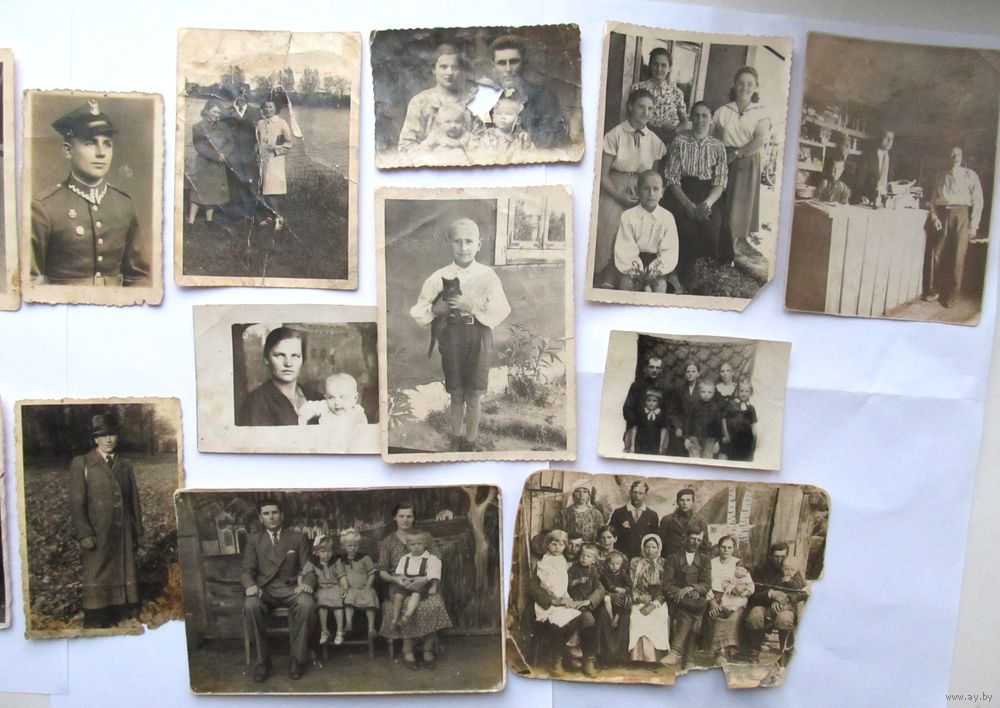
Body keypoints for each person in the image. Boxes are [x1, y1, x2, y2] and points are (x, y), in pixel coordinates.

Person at [409, 218, 511, 452]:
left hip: (479, 335)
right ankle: (456, 438)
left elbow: (502, 309)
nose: (463, 247)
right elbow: (419, 310)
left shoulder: (488, 275)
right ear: (449, 243)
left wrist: (471, 305)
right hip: (452, 335)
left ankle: (470, 441)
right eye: (458, 241)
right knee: (456, 392)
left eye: (469, 241)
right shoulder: (439, 276)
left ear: (479, 244)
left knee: (474, 394)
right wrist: (437, 310)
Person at [30, 101, 150, 287]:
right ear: (68, 150)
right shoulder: (44, 208)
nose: (101, 153)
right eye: (90, 143)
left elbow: (138, 278)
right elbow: (31, 282)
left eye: (107, 144)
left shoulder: (123, 204)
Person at [68, 412, 143, 629]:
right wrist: (84, 532)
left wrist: (137, 531)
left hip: (123, 532)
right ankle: (96, 615)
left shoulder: (125, 465)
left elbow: (134, 501)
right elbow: (76, 503)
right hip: (97, 532)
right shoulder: (83, 463)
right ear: (95, 439)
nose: (108, 439)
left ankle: (121, 610)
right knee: (97, 571)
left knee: (123, 569)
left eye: (112, 434)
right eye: (103, 435)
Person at [593, 89, 667, 288]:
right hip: (615, 186)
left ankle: (633, 277)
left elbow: (654, 177)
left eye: (650, 109)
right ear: (630, 107)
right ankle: (607, 276)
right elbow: (602, 175)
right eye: (641, 107)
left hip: (643, 187)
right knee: (612, 224)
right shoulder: (615, 135)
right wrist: (619, 197)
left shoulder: (654, 141)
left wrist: (647, 197)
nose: (645, 112)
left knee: (640, 225)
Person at [241, 498, 316, 682]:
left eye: (274, 512)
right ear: (261, 518)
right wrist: (250, 585)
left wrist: (307, 583)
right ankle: (263, 661)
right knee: (251, 606)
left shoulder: (296, 537)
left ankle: (297, 659)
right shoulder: (254, 540)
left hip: (291, 588)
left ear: (281, 515)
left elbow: (308, 567)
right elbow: (247, 570)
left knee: (307, 603)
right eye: (266, 514)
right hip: (265, 590)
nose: (271, 517)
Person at [378, 503, 452, 670]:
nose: (405, 520)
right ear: (395, 518)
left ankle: (427, 649)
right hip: (400, 583)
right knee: (405, 604)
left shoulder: (425, 536)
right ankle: (408, 649)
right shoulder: (387, 542)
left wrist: (425, 579)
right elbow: (382, 571)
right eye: (401, 516)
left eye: (409, 516)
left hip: (425, 581)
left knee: (433, 604)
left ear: (413, 518)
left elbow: (437, 560)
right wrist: (397, 580)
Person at [663, 101, 730, 272]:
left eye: (705, 115)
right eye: (696, 115)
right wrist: (687, 205)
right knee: (680, 222)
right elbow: (672, 178)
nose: (700, 120)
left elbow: (720, 181)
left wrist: (707, 204)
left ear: (711, 119)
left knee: (712, 225)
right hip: (683, 191)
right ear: (691, 117)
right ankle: (676, 271)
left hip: (709, 194)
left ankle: (705, 273)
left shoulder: (718, 147)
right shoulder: (679, 142)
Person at [713, 66, 772, 256]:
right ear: (734, 84)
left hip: (746, 160)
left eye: (749, 84)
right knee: (721, 204)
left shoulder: (760, 112)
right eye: (740, 83)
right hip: (724, 160)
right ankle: (716, 247)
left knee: (738, 209)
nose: (744, 88)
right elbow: (712, 135)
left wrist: (737, 153)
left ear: (756, 87)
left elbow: (758, 141)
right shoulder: (723, 111)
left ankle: (729, 251)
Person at [925, 145, 984, 308]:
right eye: (951, 154)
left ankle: (952, 295)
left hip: (962, 215)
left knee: (958, 256)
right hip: (943, 214)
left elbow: (978, 201)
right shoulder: (940, 176)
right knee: (939, 253)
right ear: (947, 157)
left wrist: (974, 225)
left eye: (957, 154)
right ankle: (936, 289)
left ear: (962, 157)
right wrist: (935, 217)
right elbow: (933, 199)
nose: (955, 157)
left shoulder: (970, 175)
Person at [484, 34, 563, 149]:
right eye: (501, 63)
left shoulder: (544, 96)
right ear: (493, 66)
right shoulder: (486, 98)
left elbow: (546, 142)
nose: (508, 69)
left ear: (524, 63)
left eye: (514, 62)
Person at [612, 170, 683, 293]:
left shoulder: (667, 217)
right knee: (626, 284)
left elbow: (669, 251)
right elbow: (625, 249)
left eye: (655, 189)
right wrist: (639, 274)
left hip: (658, 266)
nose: (651, 193)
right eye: (646, 189)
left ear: (662, 192)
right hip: (632, 266)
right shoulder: (628, 216)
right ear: (637, 190)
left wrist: (653, 272)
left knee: (660, 286)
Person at [398, 44, 478, 152]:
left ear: (461, 70)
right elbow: (406, 147)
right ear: (433, 69)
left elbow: (482, 145)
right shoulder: (420, 102)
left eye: (454, 67)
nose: (449, 72)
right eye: (443, 67)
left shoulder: (470, 102)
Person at [745, 542, 808, 664]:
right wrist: (770, 594)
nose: (779, 560)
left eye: (782, 557)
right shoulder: (761, 570)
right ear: (770, 556)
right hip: (764, 605)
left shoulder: (792, 569)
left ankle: (784, 653)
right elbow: (753, 595)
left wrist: (783, 601)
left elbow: (802, 593)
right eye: (776, 556)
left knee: (784, 618)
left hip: (785, 608)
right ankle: (754, 652)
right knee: (755, 615)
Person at [530, 529, 582, 676]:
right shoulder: (544, 562)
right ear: (547, 545)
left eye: (561, 544)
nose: (558, 547)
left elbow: (562, 584)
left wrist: (566, 599)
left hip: (561, 600)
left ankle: (566, 654)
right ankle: (556, 661)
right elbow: (539, 587)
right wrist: (554, 600)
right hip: (547, 604)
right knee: (559, 622)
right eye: (554, 544)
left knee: (577, 615)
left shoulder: (562, 561)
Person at [238, 327, 315, 426]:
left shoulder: (316, 397)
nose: (288, 363)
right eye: (279, 355)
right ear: (266, 359)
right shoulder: (256, 402)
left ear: (302, 359)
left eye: (295, 356)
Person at [660, 529, 712, 668]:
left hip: (696, 600)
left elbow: (706, 584)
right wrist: (682, 592)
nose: (696, 543)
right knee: (689, 615)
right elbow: (667, 584)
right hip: (677, 600)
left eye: (699, 540)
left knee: (688, 614)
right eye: (693, 538)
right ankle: (688, 659)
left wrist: (692, 588)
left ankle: (676, 652)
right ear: (685, 538)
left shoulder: (704, 559)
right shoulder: (673, 558)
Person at [703, 535, 754, 662]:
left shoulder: (738, 564)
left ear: (733, 549)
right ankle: (719, 651)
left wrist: (741, 591)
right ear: (718, 548)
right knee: (716, 615)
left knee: (734, 617)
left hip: (735, 599)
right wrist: (712, 601)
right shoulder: (711, 563)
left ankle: (726, 652)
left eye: (729, 547)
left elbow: (748, 583)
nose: (726, 550)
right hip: (715, 597)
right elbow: (705, 583)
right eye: (723, 547)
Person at [186, 98, 234, 225]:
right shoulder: (198, 127)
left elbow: (230, 143)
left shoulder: (224, 127)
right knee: (198, 193)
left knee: (213, 193)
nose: (217, 115)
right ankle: (191, 220)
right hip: (204, 165)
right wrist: (216, 156)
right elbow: (200, 147)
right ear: (207, 111)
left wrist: (224, 154)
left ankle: (209, 220)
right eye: (214, 112)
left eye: (219, 113)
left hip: (218, 166)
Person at [626, 534, 671, 663]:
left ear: (659, 548)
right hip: (640, 600)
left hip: (658, 601)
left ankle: (655, 657)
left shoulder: (663, 563)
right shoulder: (635, 562)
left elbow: (666, 587)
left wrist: (654, 604)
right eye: (647, 547)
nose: (650, 550)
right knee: (637, 616)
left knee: (659, 616)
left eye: (653, 547)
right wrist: (639, 598)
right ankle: (638, 657)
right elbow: (631, 585)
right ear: (642, 547)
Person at [631, 47, 689, 146]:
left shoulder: (676, 93)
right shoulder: (638, 88)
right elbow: (631, 116)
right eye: (655, 64)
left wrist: (674, 131)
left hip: (667, 140)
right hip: (643, 138)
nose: (659, 69)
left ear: (669, 68)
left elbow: (685, 122)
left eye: (663, 65)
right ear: (650, 65)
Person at [389, 530, 443, 634]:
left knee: (416, 594)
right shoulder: (405, 558)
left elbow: (434, 573)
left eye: (419, 544)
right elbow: (400, 572)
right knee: (398, 595)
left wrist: (434, 586)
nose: (416, 546)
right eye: (413, 544)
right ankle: (395, 619)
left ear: (425, 544)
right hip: (407, 581)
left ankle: (406, 616)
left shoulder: (430, 558)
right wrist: (403, 580)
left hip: (422, 583)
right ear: (408, 546)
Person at [296, 373, 369, 448]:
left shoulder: (357, 412)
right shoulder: (325, 406)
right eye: (331, 397)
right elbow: (308, 408)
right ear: (326, 397)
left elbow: (364, 432)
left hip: (348, 446)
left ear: (355, 398)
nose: (336, 402)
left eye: (342, 397)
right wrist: (302, 422)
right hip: (325, 445)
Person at [223, 84, 263, 220]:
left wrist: (257, 150)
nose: (242, 96)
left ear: (249, 96)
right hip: (232, 154)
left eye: (245, 94)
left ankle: (251, 214)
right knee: (233, 183)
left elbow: (260, 134)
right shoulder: (227, 112)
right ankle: (235, 216)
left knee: (251, 183)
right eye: (240, 93)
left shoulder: (256, 112)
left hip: (250, 154)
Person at [566, 544, 606, 677]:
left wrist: (589, 600)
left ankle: (589, 660)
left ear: (594, 560)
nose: (584, 558)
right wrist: (576, 581)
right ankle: (579, 658)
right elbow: (566, 584)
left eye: (588, 556)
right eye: (582, 555)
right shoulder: (574, 569)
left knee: (592, 620)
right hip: (573, 601)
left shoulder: (593, 571)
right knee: (587, 621)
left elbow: (597, 587)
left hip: (586, 603)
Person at [256, 98, 292, 231]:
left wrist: (275, 149)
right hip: (262, 161)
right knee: (263, 190)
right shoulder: (260, 123)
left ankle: (279, 217)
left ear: (276, 108)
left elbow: (289, 143)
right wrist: (257, 153)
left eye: (270, 107)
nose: (268, 109)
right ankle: (269, 216)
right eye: (265, 107)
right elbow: (257, 141)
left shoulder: (281, 123)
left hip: (275, 161)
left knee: (272, 190)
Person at [300, 535, 343, 646]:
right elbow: (302, 575)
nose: (326, 554)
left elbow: (341, 576)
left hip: (335, 587)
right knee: (321, 603)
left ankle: (339, 631)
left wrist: (344, 587)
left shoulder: (336, 561)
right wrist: (300, 585)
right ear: (317, 552)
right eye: (323, 551)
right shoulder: (313, 563)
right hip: (322, 588)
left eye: (329, 551)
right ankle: (324, 631)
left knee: (338, 602)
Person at [337, 527, 379, 641]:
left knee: (370, 597)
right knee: (348, 598)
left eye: (355, 545)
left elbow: (371, 573)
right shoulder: (342, 561)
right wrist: (344, 587)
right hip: (352, 589)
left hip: (365, 587)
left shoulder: (365, 558)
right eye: (349, 546)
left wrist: (368, 586)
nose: (353, 548)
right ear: (343, 547)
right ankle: (349, 624)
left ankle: (371, 628)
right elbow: (342, 576)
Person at [622, 356, 667, 452]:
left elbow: (667, 410)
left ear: (661, 370)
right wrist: (639, 423)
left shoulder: (666, 388)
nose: (654, 370)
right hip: (637, 429)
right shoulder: (637, 386)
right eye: (651, 367)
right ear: (647, 368)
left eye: (657, 368)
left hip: (656, 430)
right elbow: (627, 408)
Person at [608, 480, 659, 560]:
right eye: (634, 492)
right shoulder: (619, 513)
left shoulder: (652, 515)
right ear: (630, 492)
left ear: (645, 495)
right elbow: (611, 535)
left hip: (642, 558)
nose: (637, 496)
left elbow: (653, 539)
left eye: (640, 493)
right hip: (621, 557)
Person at [658, 488, 712, 557]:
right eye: (681, 500)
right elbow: (660, 543)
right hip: (670, 558)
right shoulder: (667, 520)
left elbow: (705, 545)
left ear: (693, 502)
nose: (685, 503)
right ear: (677, 502)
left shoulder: (700, 520)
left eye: (688, 500)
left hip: (691, 559)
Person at [850, 128, 894, 207]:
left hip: (883, 201)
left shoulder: (890, 158)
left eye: (892, 139)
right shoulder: (867, 155)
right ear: (880, 138)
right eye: (886, 137)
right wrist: (861, 196)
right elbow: (859, 179)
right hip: (866, 200)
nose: (889, 141)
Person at [666, 361, 701, 457]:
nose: (690, 374)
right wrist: (677, 426)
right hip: (681, 428)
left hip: (696, 430)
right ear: (685, 373)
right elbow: (672, 411)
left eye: (693, 371)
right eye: (688, 371)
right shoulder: (678, 389)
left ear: (698, 373)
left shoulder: (702, 389)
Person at [683, 380, 722, 459]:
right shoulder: (694, 406)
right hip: (694, 436)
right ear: (699, 392)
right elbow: (688, 421)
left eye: (709, 392)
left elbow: (718, 425)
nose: (706, 394)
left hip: (710, 438)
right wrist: (686, 438)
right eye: (703, 392)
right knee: (694, 458)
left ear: (713, 393)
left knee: (707, 459)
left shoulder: (715, 408)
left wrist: (717, 442)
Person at [721, 380, 758, 462]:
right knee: (732, 459)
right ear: (737, 392)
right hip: (733, 438)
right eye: (741, 391)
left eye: (747, 391)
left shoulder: (751, 408)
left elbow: (753, 426)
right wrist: (726, 434)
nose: (744, 394)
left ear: (750, 393)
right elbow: (724, 419)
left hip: (746, 439)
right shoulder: (731, 404)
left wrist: (754, 440)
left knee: (745, 459)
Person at [625, 387, 668, 455]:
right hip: (640, 444)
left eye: (654, 401)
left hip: (654, 444)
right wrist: (632, 445)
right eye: (649, 400)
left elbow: (663, 430)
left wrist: (660, 446)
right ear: (645, 400)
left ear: (659, 402)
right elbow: (635, 429)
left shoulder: (661, 415)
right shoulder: (641, 413)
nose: (651, 403)